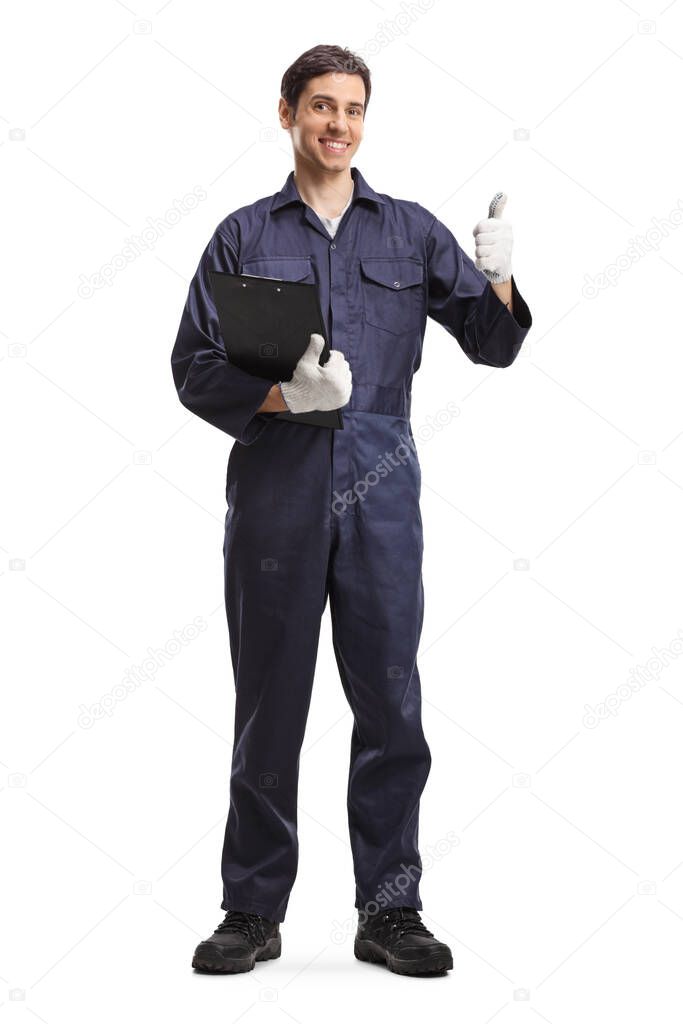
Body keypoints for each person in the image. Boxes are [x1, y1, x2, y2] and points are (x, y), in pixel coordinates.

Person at [171, 43, 532, 978]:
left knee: (389, 700)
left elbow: (491, 346)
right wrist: (282, 401)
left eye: (354, 109)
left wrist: (496, 276)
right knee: (270, 704)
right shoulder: (243, 236)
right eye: (321, 106)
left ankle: (389, 910)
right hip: (276, 489)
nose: (338, 124)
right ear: (287, 112)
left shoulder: (408, 232)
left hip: (381, 490)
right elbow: (192, 368)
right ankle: (250, 910)